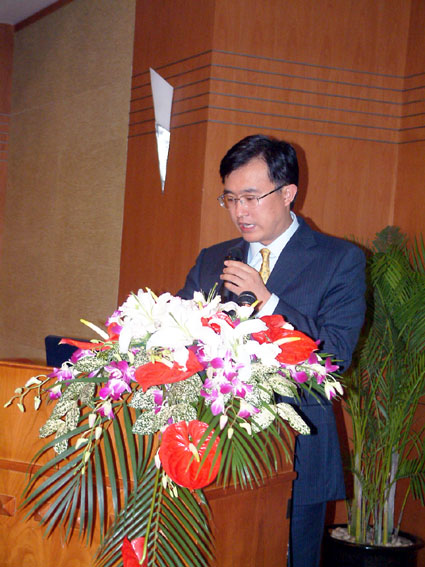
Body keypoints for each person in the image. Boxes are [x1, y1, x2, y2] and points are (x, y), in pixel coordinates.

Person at [178, 134, 366, 567]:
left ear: (287, 193)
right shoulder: (213, 259)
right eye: (230, 199)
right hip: (212, 451)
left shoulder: (339, 260)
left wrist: (269, 302)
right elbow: (181, 334)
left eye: (251, 197)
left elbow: (334, 357)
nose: (239, 211)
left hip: (297, 453)